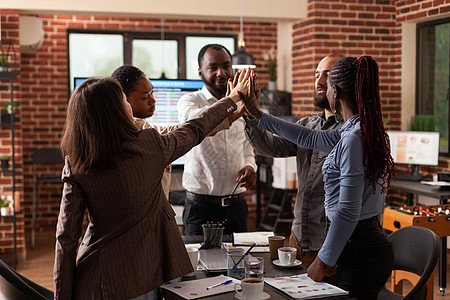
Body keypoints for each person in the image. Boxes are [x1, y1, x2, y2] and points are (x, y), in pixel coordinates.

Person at [54, 72, 250, 299]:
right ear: (117, 111)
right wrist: (232, 98)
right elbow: (195, 128)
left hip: (95, 278)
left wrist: (61, 294)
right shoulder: (150, 144)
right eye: (123, 101)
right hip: (143, 279)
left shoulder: (76, 159)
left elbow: (65, 237)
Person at [241, 56, 395, 299]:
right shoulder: (358, 130)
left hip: (360, 246)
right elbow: (309, 138)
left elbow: (347, 210)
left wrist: (323, 261)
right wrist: (257, 114)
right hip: (362, 242)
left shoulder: (354, 137)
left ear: (337, 91)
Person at [244, 54, 344, 270]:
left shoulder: (350, 131)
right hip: (298, 239)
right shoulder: (307, 124)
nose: (319, 81)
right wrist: (249, 115)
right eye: (317, 75)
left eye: (327, 74)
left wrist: (256, 112)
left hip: (331, 247)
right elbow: (269, 147)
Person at [177, 44, 257, 235]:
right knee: (196, 264)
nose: (221, 73)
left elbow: (246, 146)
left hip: (236, 207)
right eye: (213, 68)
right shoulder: (190, 101)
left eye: (226, 66)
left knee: (239, 263)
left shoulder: (243, 103)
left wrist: (250, 166)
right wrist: (230, 102)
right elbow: (197, 122)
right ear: (200, 72)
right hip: (200, 208)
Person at [111, 65, 178, 201]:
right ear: (123, 100)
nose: (153, 101)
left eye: (152, 93)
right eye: (145, 97)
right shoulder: (139, 129)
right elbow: (184, 131)